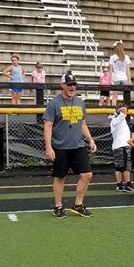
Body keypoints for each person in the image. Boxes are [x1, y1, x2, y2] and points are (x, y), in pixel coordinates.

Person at [43, 74, 97, 218]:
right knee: (60, 177)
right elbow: (48, 126)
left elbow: (83, 123)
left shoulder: (80, 102)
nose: (72, 87)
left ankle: (78, 204)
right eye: (69, 84)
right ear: (62, 85)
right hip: (61, 147)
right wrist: (48, 147)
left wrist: (91, 140)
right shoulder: (54, 103)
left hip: (78, 145)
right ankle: (58, 206)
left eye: (74, 84)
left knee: (87, 175)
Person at [110, 103, 133, 191]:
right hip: (122, 145)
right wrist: (119, 110)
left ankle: (119, 185)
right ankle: (127, 185)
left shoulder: (115, 120)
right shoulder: (119, 119)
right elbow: (123, 109)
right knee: (126, 166)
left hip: (116, 146)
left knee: (119, 167)